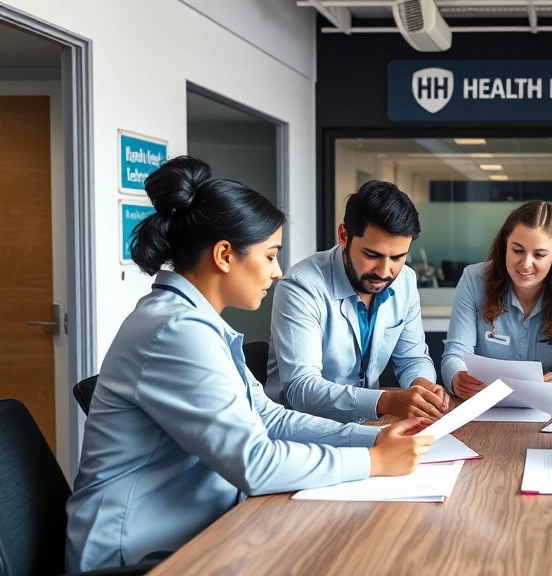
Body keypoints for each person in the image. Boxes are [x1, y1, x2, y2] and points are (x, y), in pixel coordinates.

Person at [66, 157, 433, 573]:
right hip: (141, 552)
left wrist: (370, 439)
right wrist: (375, 462)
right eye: (270, 255)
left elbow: (268, 418)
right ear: (225, 255)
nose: (278, 272)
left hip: (202, 525)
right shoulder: (175, 330)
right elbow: (256, 463)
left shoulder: (196, 322)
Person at [265, 181, 447, 422]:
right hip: (301, 432)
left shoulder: (405, 280)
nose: (384, 271)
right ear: (344, 236)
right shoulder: (301, 286)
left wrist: (422, 385)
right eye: (372, 255)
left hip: (367, 425)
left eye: (398, 257)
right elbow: (301, 389)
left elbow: (413, 358)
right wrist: (387, 401)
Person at [441, 201, 552, 398]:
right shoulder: (474, 279)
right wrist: (457, 377)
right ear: (506, 244)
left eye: (539, 254)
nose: (526, 264)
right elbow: (455, 354)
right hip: (484, 404)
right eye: (517, 250)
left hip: (546, 403)